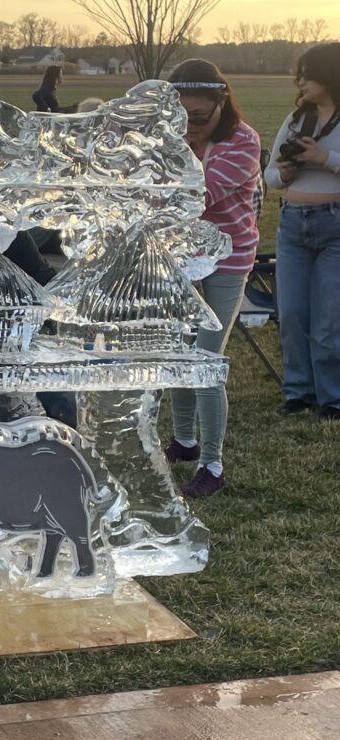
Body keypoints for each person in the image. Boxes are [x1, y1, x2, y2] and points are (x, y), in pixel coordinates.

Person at [163, 59, 262, 497]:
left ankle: (213, 465)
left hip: (229, 259)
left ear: (222, 102)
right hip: (181, 258)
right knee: (179, 353)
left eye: (199, 117)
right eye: (179, 117)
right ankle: (184, 441)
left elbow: (196, 197)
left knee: (205, 361)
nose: (190, 126)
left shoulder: (243, 142)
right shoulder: (169, 138)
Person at [264, 42, 340, 423]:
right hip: (293, 222)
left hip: (335, 226)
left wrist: (324, 159)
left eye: (308, 73)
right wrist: (287, 173)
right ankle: (298, 393)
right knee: (291, 313)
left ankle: (332, 398)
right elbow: (270, 175)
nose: (301, 81)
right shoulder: (297, 120)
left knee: (328, 320)